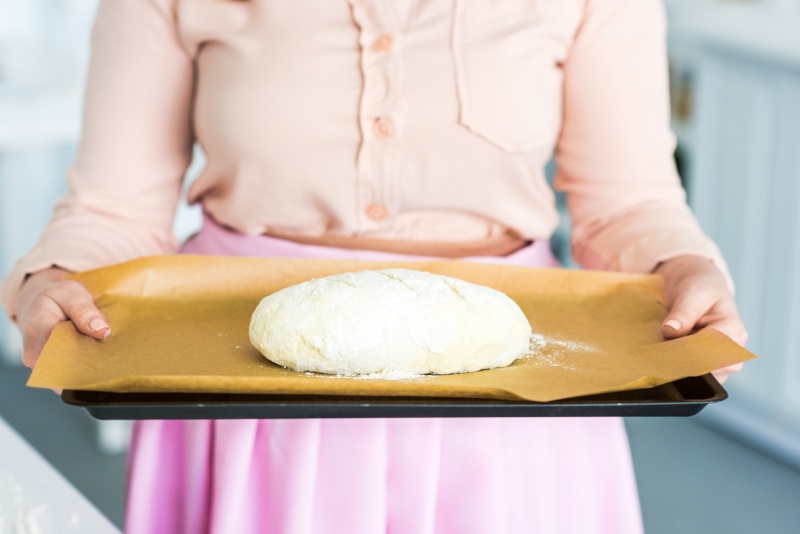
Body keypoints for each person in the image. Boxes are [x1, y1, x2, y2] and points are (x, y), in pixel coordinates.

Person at [2, 0, 747, 532]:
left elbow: (626, 204)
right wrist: (54, 278)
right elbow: (115, 207)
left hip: (514, 397)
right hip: (241, 389)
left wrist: (679, 264)